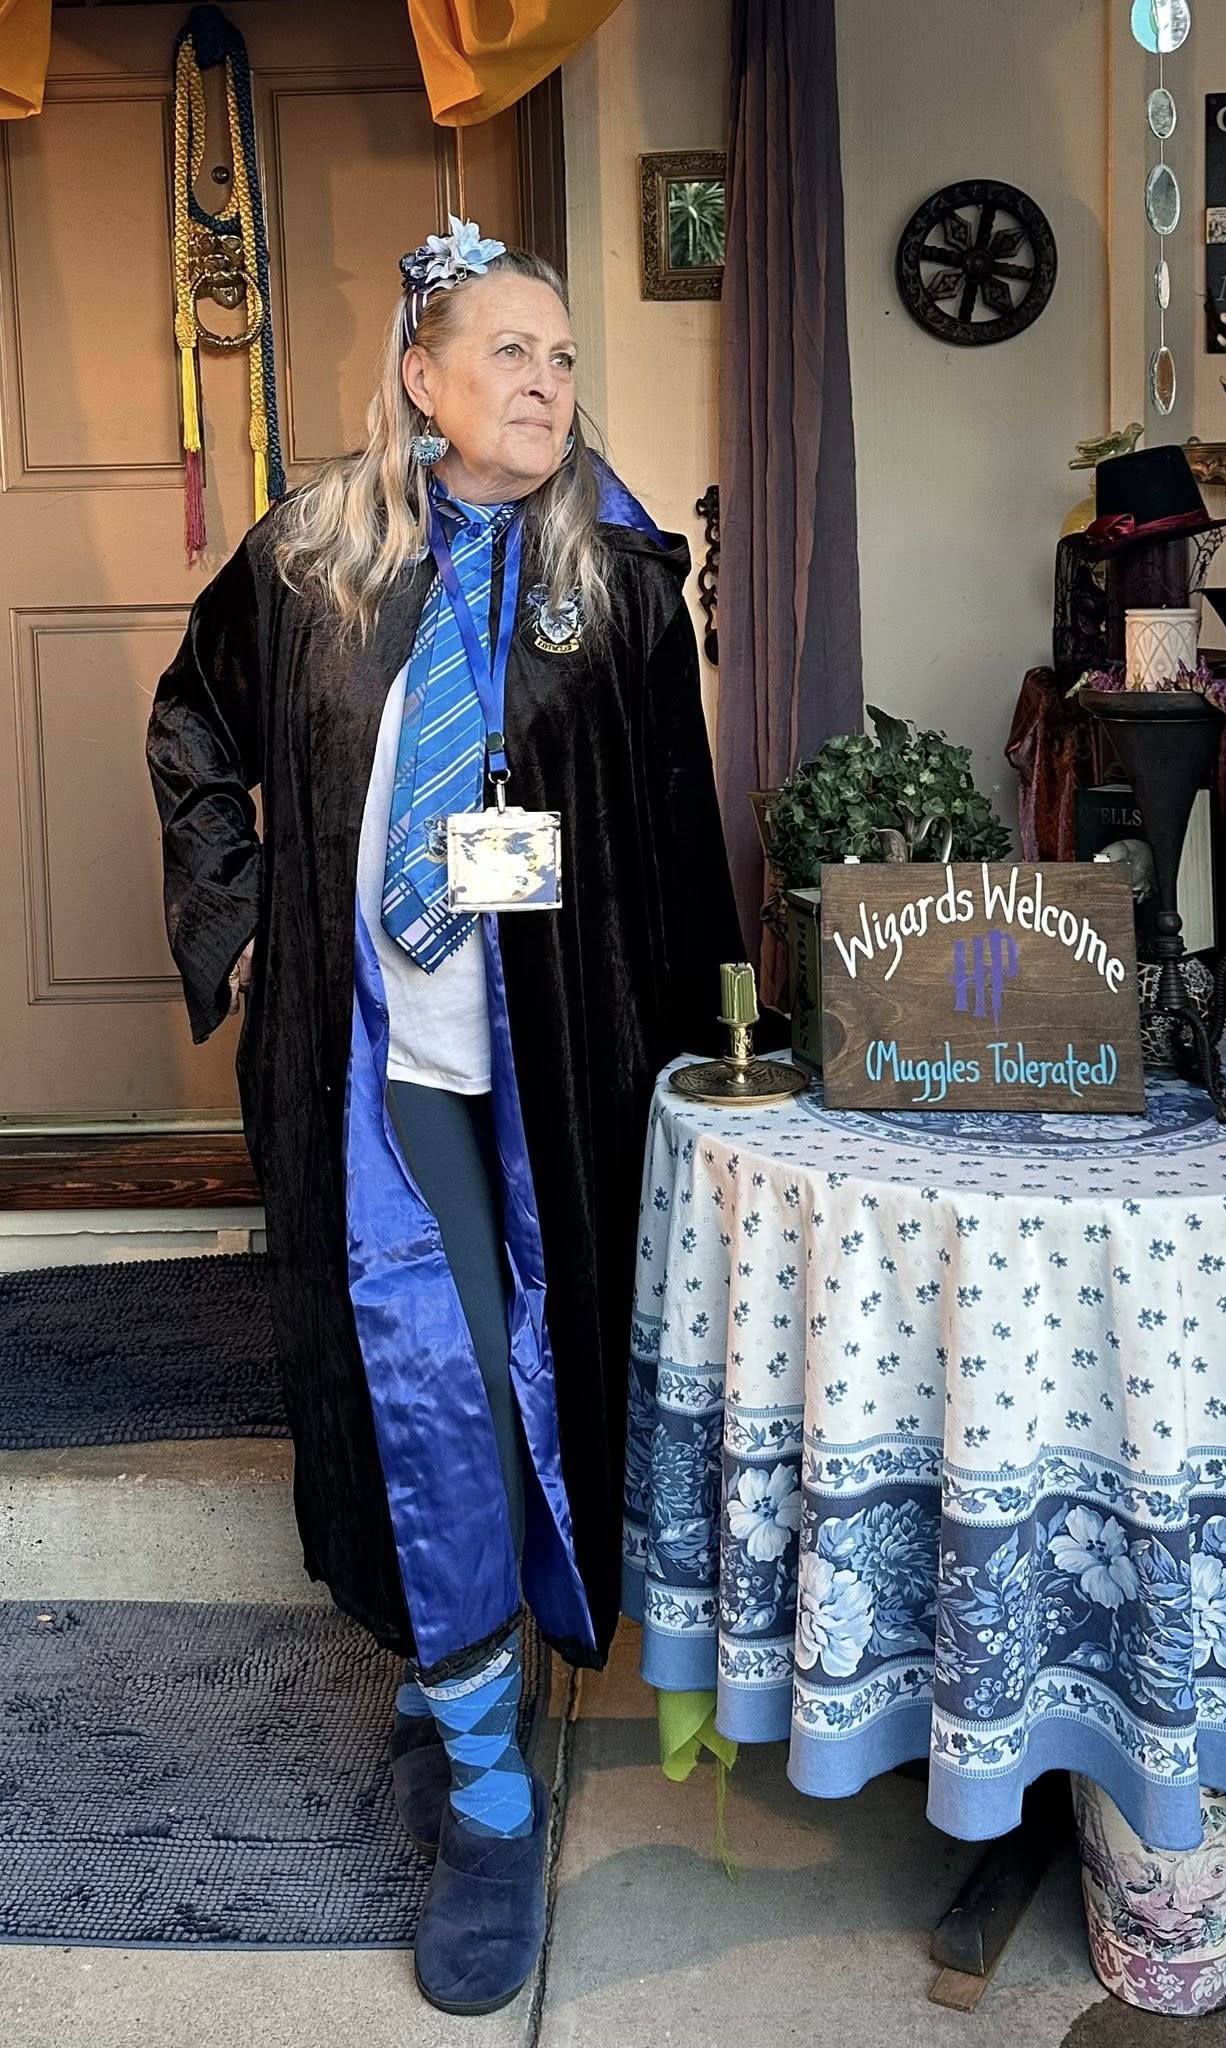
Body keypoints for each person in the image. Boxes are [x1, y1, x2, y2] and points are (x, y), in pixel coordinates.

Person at [147, 216, 743, 2013]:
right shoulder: (307, 561)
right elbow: (190, 725)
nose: (547, 383)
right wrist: (246, 914)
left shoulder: (614, 583)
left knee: (516, 1389)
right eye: (509, 352)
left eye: (563, 358)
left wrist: (711, 1048)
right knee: (436, 1386)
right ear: (421, 377)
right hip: (373, 1071)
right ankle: (489, 1791)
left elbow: (669, 826)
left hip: (551, 1072)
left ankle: (454, 1683)